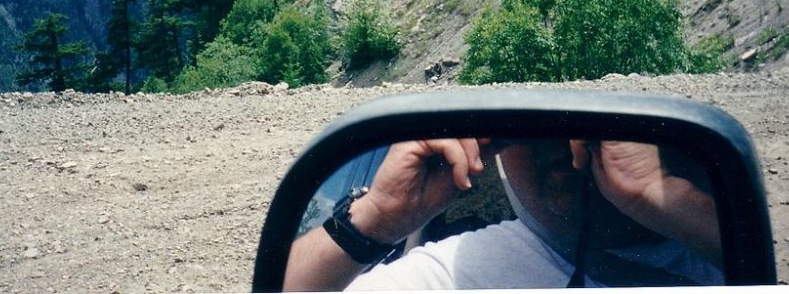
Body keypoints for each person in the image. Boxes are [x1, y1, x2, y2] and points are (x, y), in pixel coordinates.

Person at [283, 137, 723, 291]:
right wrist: (376, 218)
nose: (559, 144)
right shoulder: (456, 272)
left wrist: (665, 200)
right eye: (524, 130)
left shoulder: (714, 240)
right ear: (495, 156)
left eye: (586, 128)